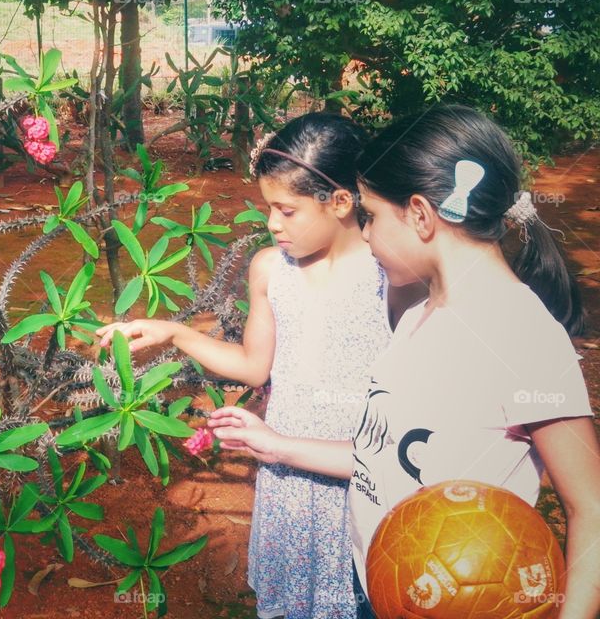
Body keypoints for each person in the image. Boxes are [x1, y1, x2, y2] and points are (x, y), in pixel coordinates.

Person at [208, 105, 600, 619]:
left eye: (370, 216)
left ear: (420, 215)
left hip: (464, 600)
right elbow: (381, 457)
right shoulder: (415, 315)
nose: (364, 234)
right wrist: (278, 446)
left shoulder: (521, 337)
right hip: (380, 586)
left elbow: (590, 507)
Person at [98, 112, 421, 619]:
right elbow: (253, 366)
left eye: (286, 210)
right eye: (268, 207)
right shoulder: (271, 270)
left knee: (368, 597)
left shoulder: (394, 275)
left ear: (340, 202)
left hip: (364, 479)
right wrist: (175, 332)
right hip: (289, 481)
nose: (271, 224)